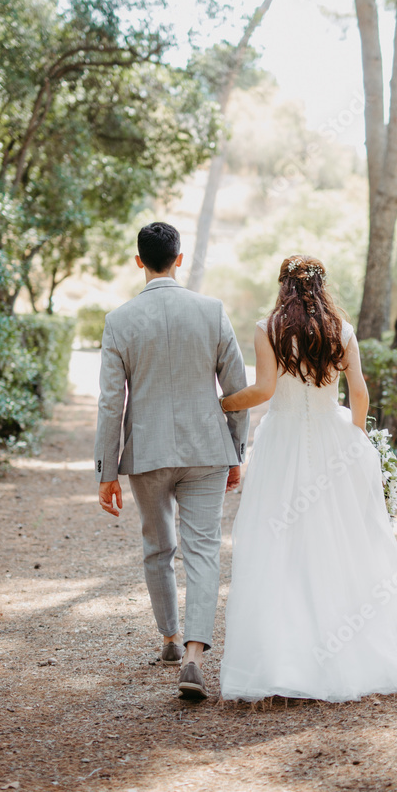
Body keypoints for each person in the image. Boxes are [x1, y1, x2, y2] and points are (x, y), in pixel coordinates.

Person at [218, 255, 397, 702]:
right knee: (339, 542)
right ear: (321, 287)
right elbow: (361, 395)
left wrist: (223, 404)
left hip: (283, 442)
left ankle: (282, 659)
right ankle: (342, 652)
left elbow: (265, 392)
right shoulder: (341, 331)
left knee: (278, 544)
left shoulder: (267, 328)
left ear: (284, 286)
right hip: (334, 439)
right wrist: (357, 441)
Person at [94, 222, 249, 701]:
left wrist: (107, 471)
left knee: (158, 546)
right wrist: (236, 450)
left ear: (138, 261)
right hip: (207, 452)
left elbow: (108, 404)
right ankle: (195, 657)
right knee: (203, 551)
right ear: (178, 259)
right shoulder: (211, 311)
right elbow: (238, 389)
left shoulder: (119, 321)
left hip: (148, 453)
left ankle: (169, 637)